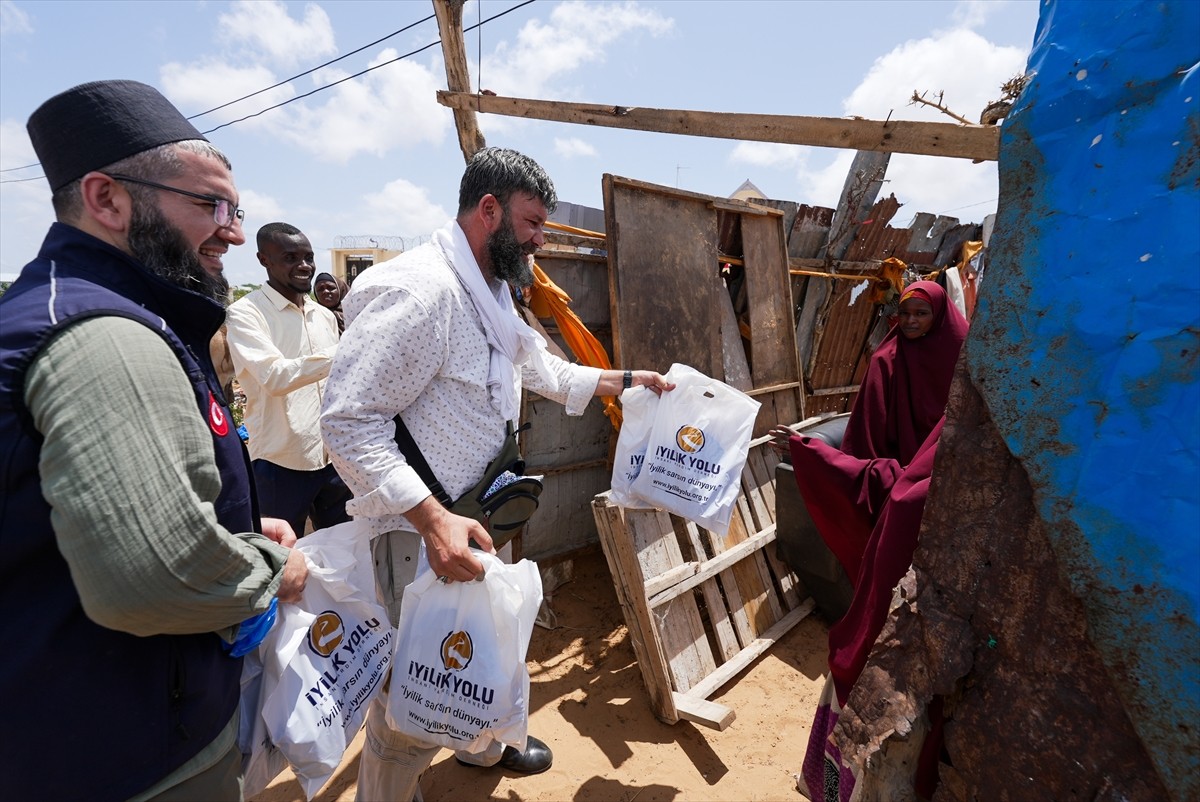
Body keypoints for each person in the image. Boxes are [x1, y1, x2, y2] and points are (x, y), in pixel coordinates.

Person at [320, 147, 673, 801]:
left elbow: (547, 372)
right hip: (416, 532)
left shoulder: (493, 296)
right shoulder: (422, 292)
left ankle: (480, 748)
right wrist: (430, 519)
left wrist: (628, 380)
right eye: (534, 223)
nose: (541, 239)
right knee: (410, 693)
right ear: (490, 211)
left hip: (479, 513)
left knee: (474, 645)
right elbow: (346, 422)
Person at [0, 80, 307, 801]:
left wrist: (227, 524)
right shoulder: (103, 337)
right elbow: (154, 579)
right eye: (211, 205)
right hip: (125, 756)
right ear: (108, 200)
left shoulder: (113, 310)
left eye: (235, 209)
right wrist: (268, 570)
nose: (233, 231)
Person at [770, 280, 968, 582]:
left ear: (939, 315)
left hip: (950, 462)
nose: (911, 321)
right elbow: (866, 437)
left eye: (921, 313)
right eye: (904, 313)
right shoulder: (886, 360)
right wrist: (811, 451)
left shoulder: (963, 359)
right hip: (903, 465)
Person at [791, 420, 946, 802]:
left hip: (882, 653)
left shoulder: (926, 495)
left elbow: (887, 484)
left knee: (856, 757)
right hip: (881, 645)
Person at [226, 223, 351, 537]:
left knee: (343, 558)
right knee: (281, 559)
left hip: (332, 458)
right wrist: (350, 349)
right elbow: (275, 377)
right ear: (264, 260)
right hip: (278, 463)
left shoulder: (322, 315)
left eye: (308, 257)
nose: (304, 265)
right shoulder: (245, 313)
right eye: (290, 257)